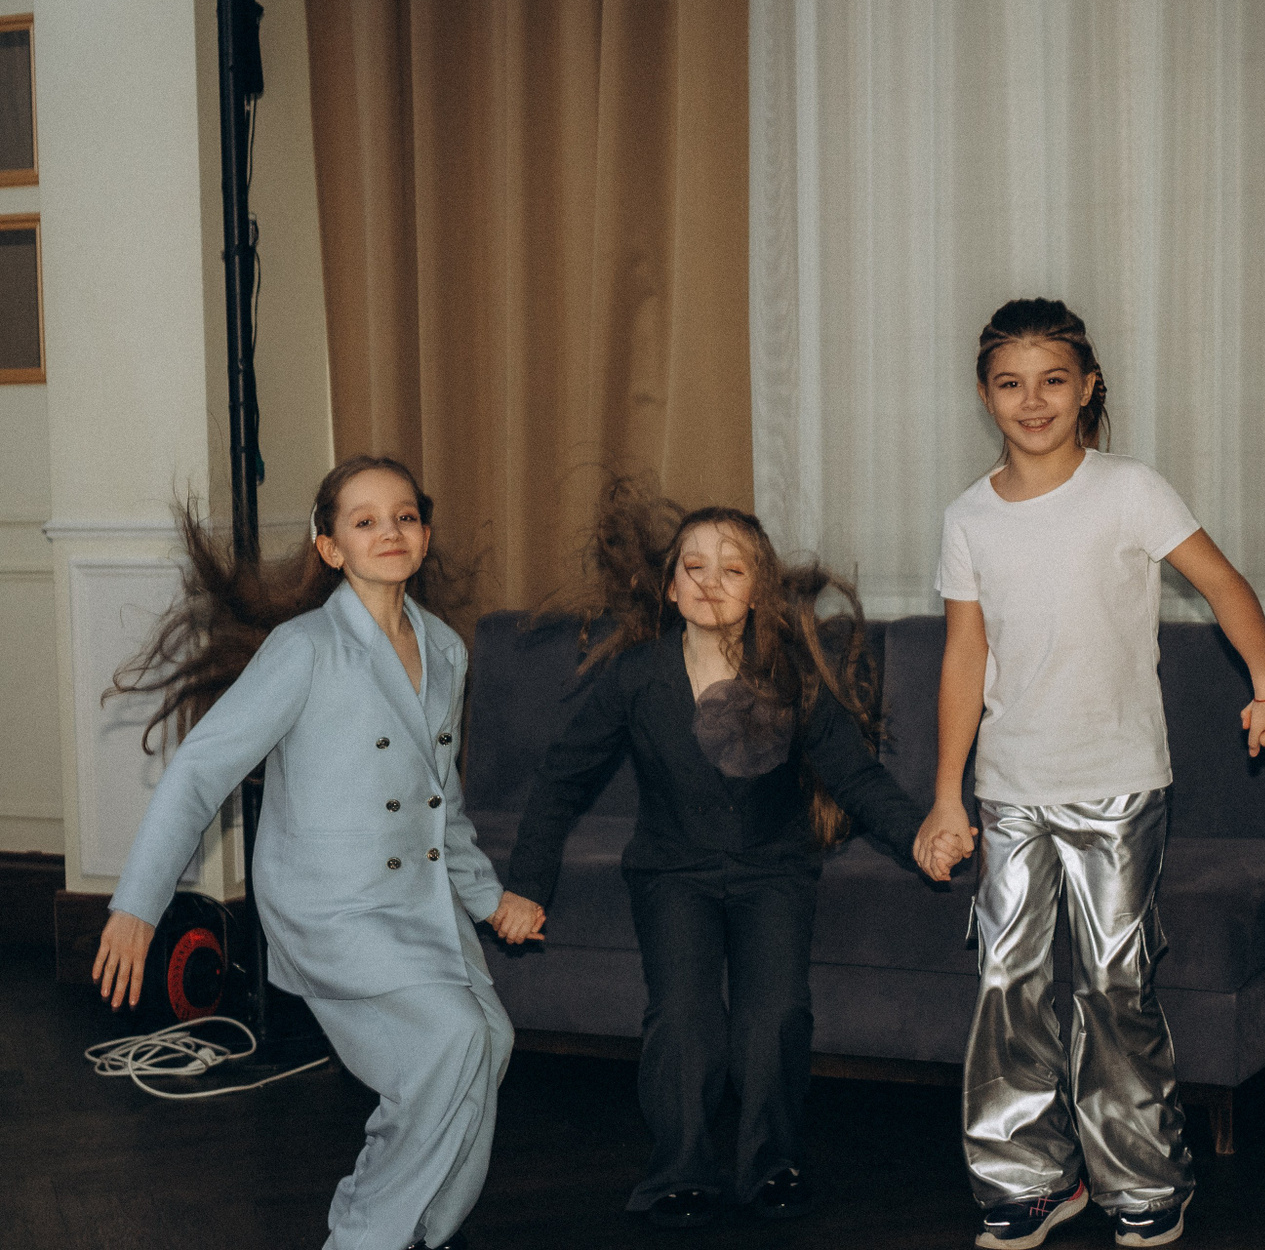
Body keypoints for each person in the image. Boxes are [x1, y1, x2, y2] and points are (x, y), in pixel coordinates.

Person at [913, 298, 1265, 1250]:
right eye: (1010, 384)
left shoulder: (1130, 489)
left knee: (1112, 982)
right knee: (1007, 982)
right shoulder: (969, 516)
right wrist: (945, 795)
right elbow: (965, 656)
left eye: (1053, 380)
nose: (1033, 401)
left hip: (1120, 784)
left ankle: (1140, 1175)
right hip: (1010, 790)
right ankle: (1029, 1179)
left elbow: (1222, 583)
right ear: (985, 396)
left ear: (1087, 386)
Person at [92, 455, 538, 1250]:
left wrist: (487, 897)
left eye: (405, 517)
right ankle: (365, 1235)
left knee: (489, 1040)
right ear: (331, 547)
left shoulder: (445, 648)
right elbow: (199, 771)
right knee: (453, 1040)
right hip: (331, 902)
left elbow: (442, 802)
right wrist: (138, 904)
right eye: (364, 521)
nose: (389, 532)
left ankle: (427, 1227)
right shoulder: (303, 648)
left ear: (424, 535)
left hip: (420, 900)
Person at [495, 489, 929, 1228]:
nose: (709, 581)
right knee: (685, 1016)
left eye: (732, 569)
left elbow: (855, 777)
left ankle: (774, 1164)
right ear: (670, 588)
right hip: (673, 873)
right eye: (692, 567)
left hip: (774, 871)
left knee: (774, 1016)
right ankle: (680, 1170)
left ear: (759, 590)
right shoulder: (636, 675)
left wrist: (919, 836)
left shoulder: (793, 673)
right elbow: (561, 779)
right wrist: (528, 887)